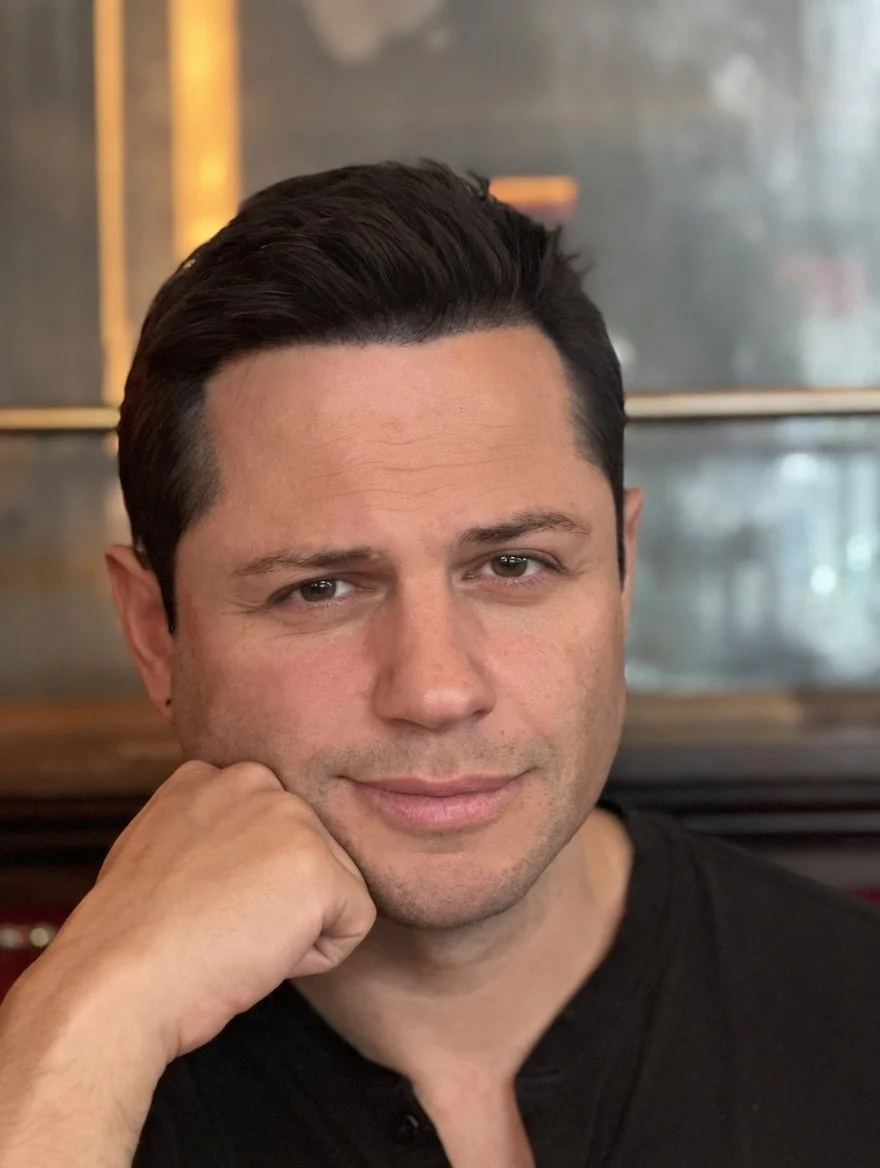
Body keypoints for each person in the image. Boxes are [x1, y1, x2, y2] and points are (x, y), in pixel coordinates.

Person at [1, 161, 879, 1168]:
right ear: (156, 632)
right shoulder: (63, 1067)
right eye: (321, 588)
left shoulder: (855, 1012)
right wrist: (93, 1024)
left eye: (513, 565)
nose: (435, 689)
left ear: (623, 577)